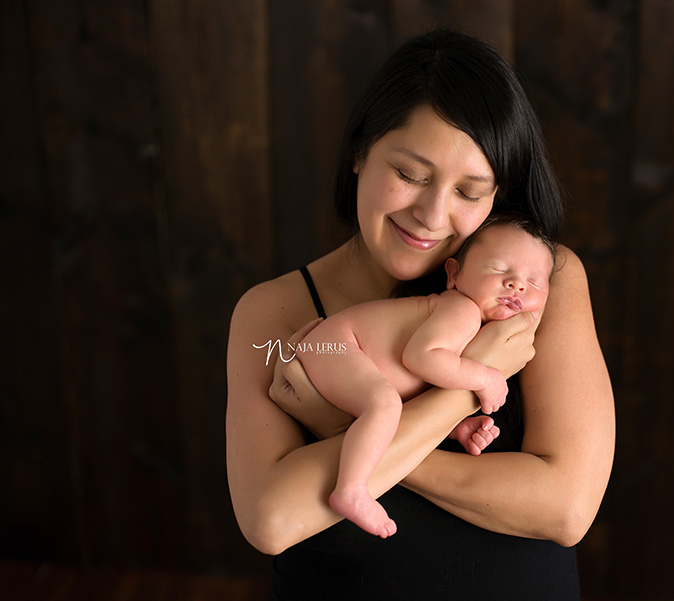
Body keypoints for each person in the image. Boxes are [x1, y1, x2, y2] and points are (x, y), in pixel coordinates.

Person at [226, 29, 615, 600]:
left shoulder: (537, 283)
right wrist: (466, 386)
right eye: (409, 174)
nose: (433, 216)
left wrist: (343, 431)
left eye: (470, 191)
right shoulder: (276, 313)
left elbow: (566, 508)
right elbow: (271, 520)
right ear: (360, 152)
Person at [294, 215, 557, 539]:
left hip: (335, 348)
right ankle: (351, 489)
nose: (517, 284)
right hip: (337, 345)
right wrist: (485, 377)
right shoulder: (462, 310)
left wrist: (455, 426)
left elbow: (416, 392)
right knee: (383, 404)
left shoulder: (467, 327)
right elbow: (420, 359)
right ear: (454, 274)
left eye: (534, 282)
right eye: (499, 269)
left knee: (386, 405)